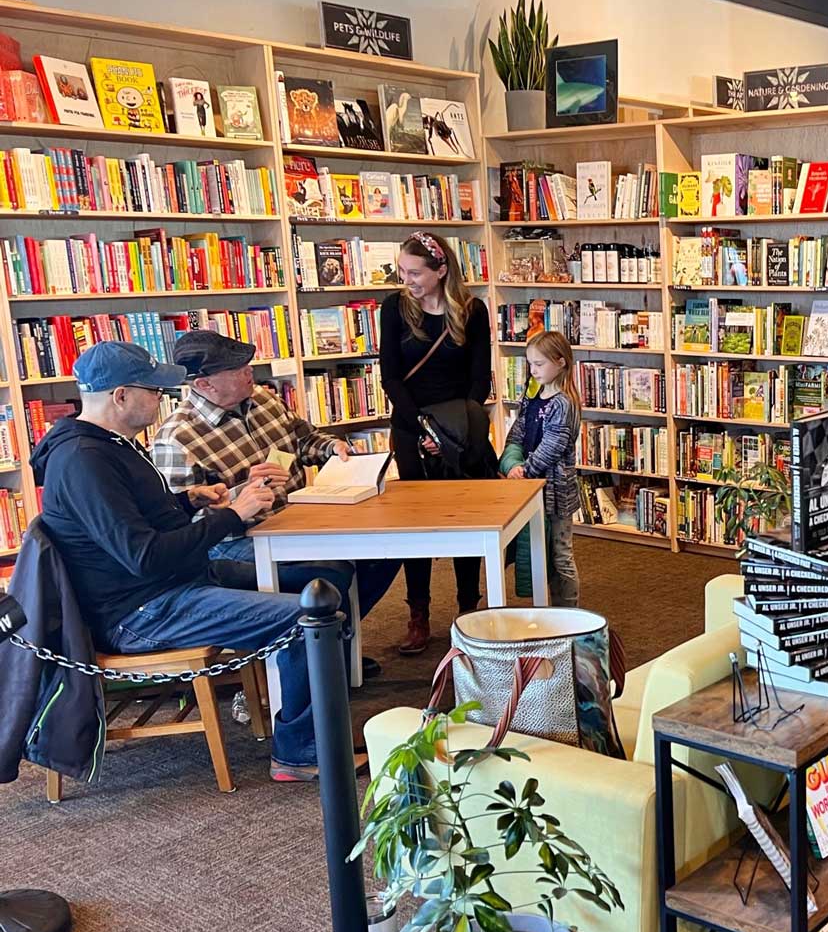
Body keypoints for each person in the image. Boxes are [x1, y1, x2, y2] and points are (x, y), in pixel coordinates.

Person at [31, 341, 320, 782]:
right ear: (120, 396)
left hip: (169, 586)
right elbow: (143, 557)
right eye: (153, 390)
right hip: (142, 610)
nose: (163, 399)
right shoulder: (83, 461)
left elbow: (136, 522)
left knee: (321, 584)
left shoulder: (111, 444)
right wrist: (229, 517)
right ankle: (299, 754)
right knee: (309, 619)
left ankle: (308, 724)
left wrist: (189, 502)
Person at [151, 330, 401, 673]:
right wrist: (242, 493)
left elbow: (303, 439)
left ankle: (332, 645)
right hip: (236, 543)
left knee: (385, 551)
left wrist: (332, 448)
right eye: (238, 370)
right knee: (331, 573)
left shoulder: (264, 400)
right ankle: (324, 659)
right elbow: (183, 524)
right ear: (204, 384)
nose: (249, 372)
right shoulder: (176, 439)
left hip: (299, 519)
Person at [378, 230, 494, 654]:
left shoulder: (472, 311)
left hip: (460, 429)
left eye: (415, 272)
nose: (406, 279)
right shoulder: (394, 310)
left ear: (441, 270)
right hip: (411, 426)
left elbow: (479, 379)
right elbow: (391, 376)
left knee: (466, 519)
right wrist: (424, 429)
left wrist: (451, 433)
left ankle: (468, 609)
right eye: (402, 271)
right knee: (417, 524)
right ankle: (418, 613)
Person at [501, 331, 581, 606]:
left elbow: (553, 446)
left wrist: (526, 470)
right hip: (533, 488)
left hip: (556, 494)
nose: (533, 370)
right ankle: (547, 608)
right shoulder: (533, 393)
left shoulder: (564, 403)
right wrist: (512, 460)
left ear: (560, 362)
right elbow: (519, 429)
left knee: (560, 555)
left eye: (540, 364)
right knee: (538, 552)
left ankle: (569, 611)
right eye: (530, 364)